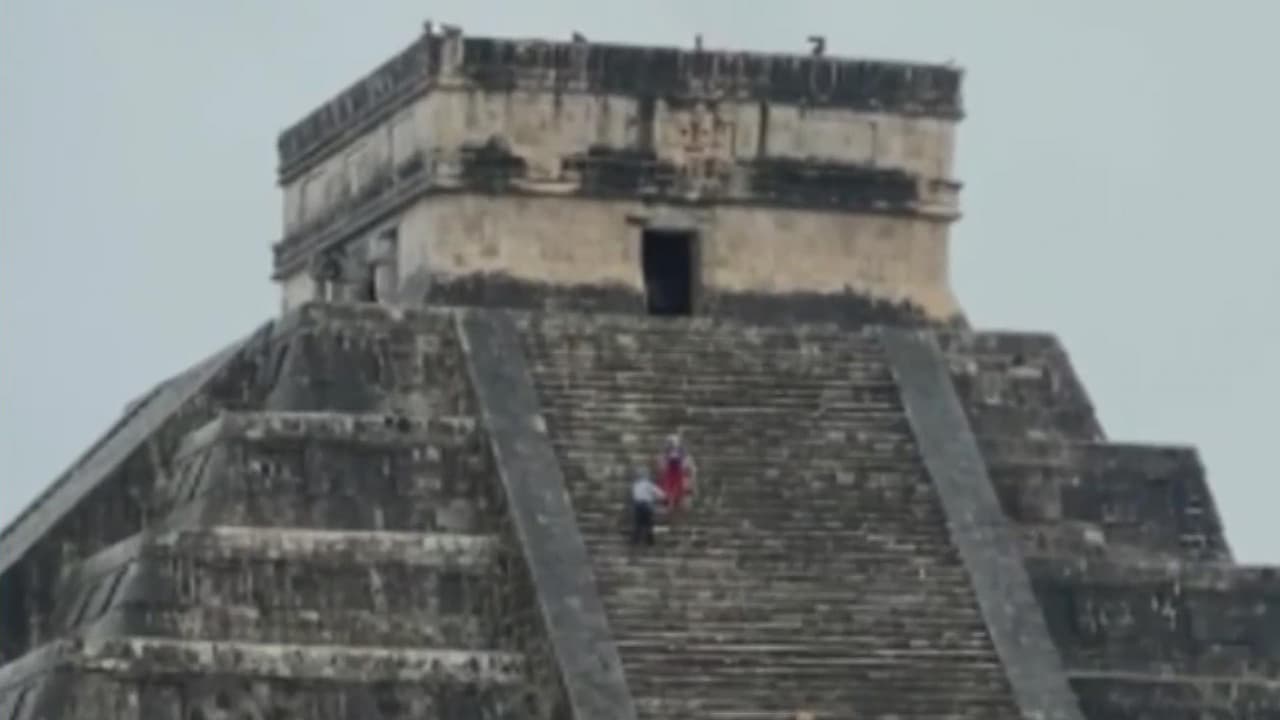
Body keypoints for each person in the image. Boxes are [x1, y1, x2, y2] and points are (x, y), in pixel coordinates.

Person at [656, 435, 695, 513]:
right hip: (672, 479)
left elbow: (690, 470)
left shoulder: (685, 458)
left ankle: (673, 504)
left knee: (676, 493)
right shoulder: (663, 457)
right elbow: (661, 470)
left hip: (677, 479)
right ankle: (672, 505)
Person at [630, 471, 666, 546]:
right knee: (649, 523)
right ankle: (650, 541)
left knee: (638, 524)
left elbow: (635, 495)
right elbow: (659, 493)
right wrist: (663, 498)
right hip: (646, 505)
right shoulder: (648, 484)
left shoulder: (636, 485)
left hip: (637, 505)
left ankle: (635, 541)